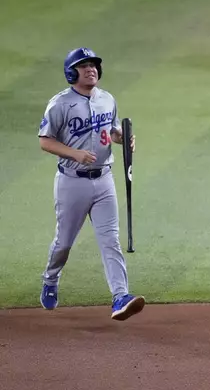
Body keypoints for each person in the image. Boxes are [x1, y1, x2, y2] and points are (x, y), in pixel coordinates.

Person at [38, 47, 145, 321]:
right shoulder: (60, 104)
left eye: (94, 65)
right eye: (84, 65)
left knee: (111, 240)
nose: (91, 69)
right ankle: (50, 279)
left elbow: (109, 130)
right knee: (63, 242)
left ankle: (120, 296)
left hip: (104, 180)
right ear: (71, 72)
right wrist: (75, 154)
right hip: (72, 182)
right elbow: (45, 140)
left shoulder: (107, 99)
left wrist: (121, 137)